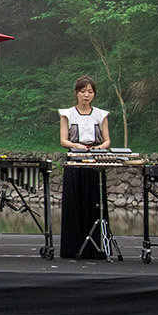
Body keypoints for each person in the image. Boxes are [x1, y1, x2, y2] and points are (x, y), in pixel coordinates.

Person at [58, 76, 110, 260]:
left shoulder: (100, 114)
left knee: (94, 202)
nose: (86, 95)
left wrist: (99, 148)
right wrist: (77, 146)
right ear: (76, 93)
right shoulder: (67, 114)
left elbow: (107, 140)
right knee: (74, 203)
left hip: (94, 161)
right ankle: (73, 247)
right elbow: (63, 140)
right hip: (75, 159)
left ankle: (96, 248)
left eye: (90, 91)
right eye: (83, 91)